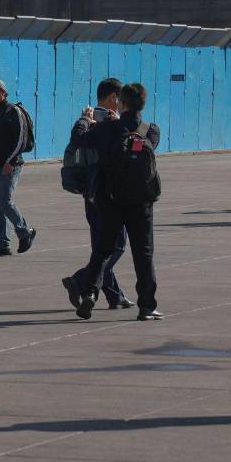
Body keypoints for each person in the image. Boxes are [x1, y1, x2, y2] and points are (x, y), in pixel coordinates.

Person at [62, 83, 162, 321]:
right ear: (143, 105)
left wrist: (84, 119)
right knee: (144, 255)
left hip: (110, 201)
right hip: (141, 203)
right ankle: (147, 306)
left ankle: (90, 294)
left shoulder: (107, 130)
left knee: (102, 251)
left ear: (121, 102)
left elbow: (78, 138)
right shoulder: (151, 130)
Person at [75, 78, 133, 310]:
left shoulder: (88, 120)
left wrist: (83, 120)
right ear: (112, 98)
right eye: (120, 100)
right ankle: (80, 279)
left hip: (90, 192)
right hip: (108, 194)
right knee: (115, 245)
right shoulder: (110, 123)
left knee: (101, 247)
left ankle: (113, 295)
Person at [0, 79, 36, 256]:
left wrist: (10, 161)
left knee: (3, 200)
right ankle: (2, 244)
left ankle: (25, 231)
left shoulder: (13, 111)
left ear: (3, 93)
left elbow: (22, 139)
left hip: (9, 167)